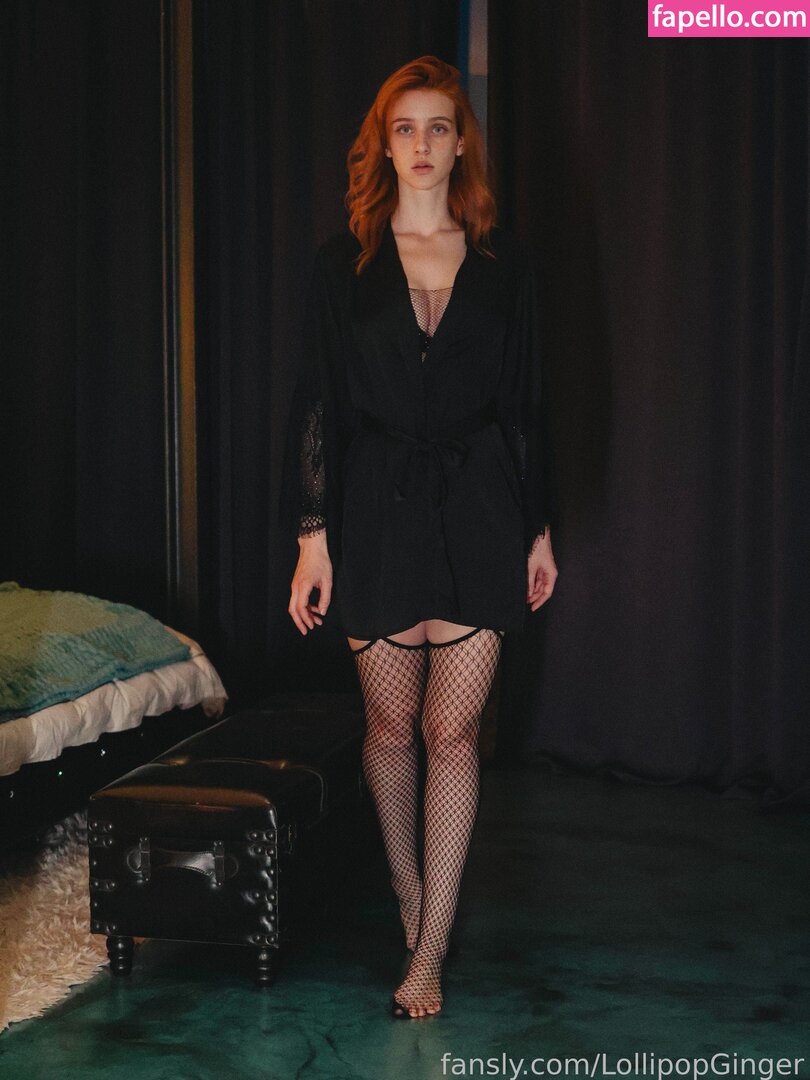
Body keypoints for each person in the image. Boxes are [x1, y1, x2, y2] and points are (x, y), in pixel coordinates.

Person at [286, 55, 559, 1019]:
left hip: (482, 507)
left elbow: (526, 405)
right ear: (385, 144)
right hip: (374, 508)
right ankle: (410, 888)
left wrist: (538, 530)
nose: (423, 144)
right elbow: (317, 404)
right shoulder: (344, 263)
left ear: (460, 144)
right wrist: (312, 537)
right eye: (405, 128)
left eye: (440, 126)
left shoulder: (504, 262)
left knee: (453, 733)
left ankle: (431, 946)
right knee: (392, 729)